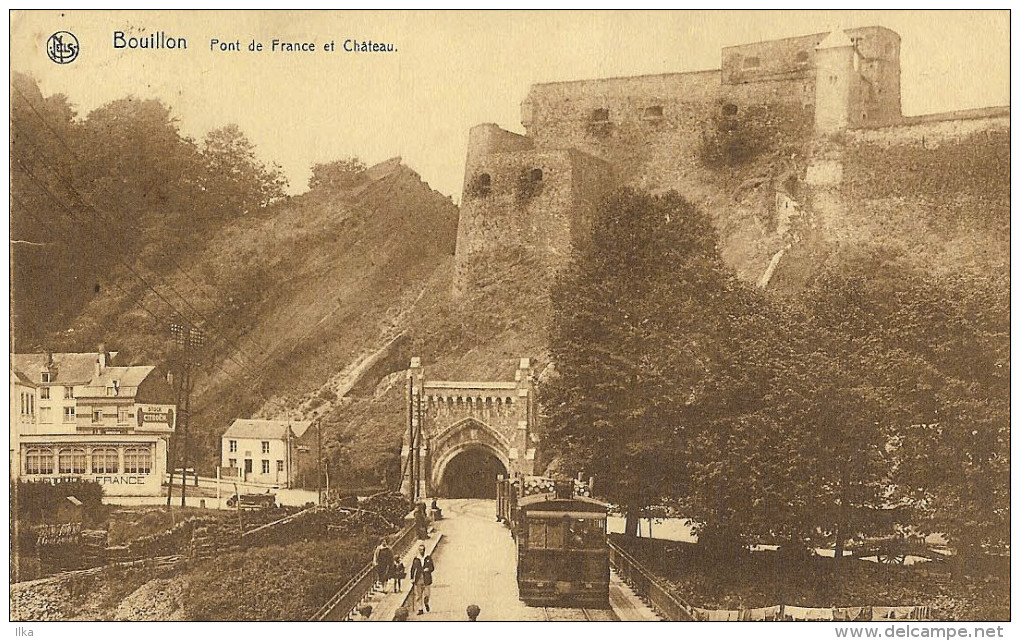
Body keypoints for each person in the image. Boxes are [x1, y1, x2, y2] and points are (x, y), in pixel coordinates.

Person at [409, 543, 435, 615]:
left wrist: (428, 569)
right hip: (418, 579)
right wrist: (412, 578)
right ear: (418, 550)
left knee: (427, 595)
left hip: (427, 579)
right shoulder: (416, 559)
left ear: (424, 550)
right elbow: (412, 569)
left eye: (423, 550)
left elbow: (432, 567)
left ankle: (426, 603)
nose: (421, 551)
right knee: (418, 595)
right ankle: (420, 609)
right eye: (420, 550)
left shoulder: (428, 558)